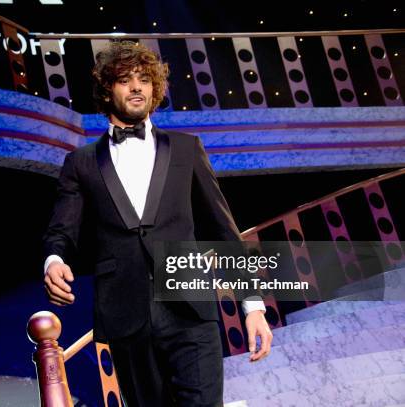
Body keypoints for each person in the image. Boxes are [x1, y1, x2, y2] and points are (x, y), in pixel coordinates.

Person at [42, 41, 272, 406]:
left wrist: (252, 305)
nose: (137, 87)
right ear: (106, 90)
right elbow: (61, 230)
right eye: (125, 79)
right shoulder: (81, 163)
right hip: (124, 314)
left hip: (191, 309)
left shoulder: (186, 148)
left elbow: (221, 230)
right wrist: (54, 260)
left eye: (144, 79)